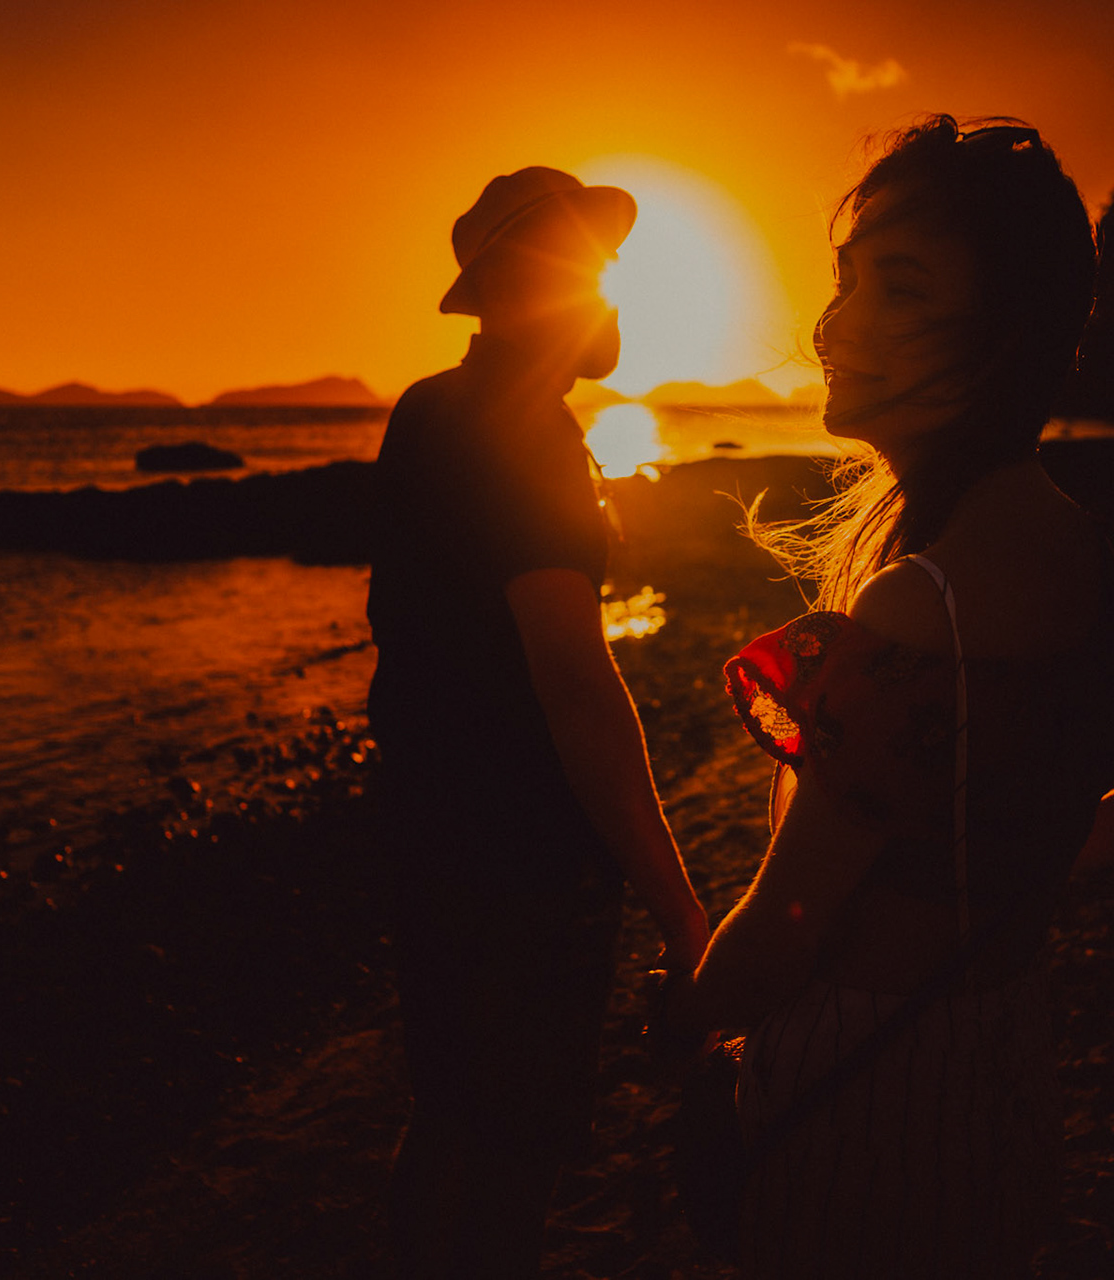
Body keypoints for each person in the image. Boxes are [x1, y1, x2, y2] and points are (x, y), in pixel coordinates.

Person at [659, 117, 1114, 1278]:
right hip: (1001, 1059)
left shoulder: (923, 601)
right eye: (846, 279)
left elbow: (784, 926)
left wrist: (674, 1040)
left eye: (899, 289)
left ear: (1003, 336)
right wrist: (1007, 866)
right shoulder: (1089, 552)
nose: (833, 325)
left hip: (862, 1093)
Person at [366, 166, 710, 1279]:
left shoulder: (428, 410)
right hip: (521, 856)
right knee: (515, 1144)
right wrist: (680, 903)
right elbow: (575, 685)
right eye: (588, 271)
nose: (608, 294)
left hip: (423, 832)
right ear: (522, 290)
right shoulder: (536, 443)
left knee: (452, 1108)